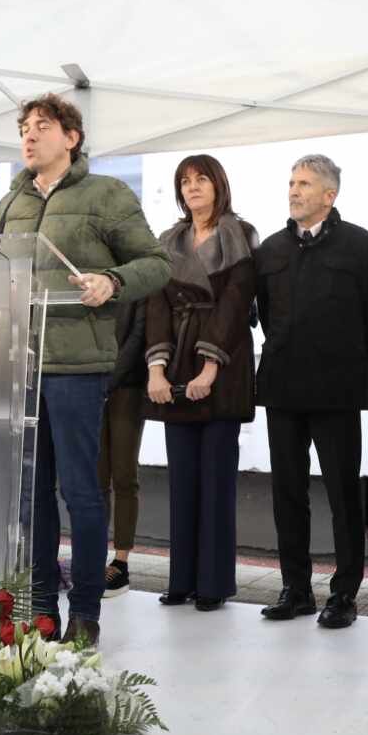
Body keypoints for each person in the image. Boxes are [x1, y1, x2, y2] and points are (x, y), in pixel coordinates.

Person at [0, 93, 170, 645]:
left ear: (71, 138)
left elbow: (156, 263)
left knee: (80, 492)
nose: (29, 135)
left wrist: (110, 282)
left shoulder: (106, 194)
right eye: (24, 127)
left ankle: (86, 611)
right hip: (20, 365)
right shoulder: (11, 201)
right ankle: (42, 607)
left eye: (41, 126)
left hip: (76, 364)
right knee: (32, 495)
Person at [255, 154, 368, 629]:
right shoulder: (269, 250)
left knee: (342, 495)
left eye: (305, 183)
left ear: (330, 196)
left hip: (336, 391)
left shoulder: (362, 248)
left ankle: (344, 594)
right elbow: (268, 316)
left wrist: (354, 367)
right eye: (291, 181)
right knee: (287, 492)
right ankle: (296, 589)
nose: (294, 190)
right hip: (283, 389)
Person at [145, 154, 256, 612]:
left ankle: (212, 584)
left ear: (218, 185)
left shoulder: (240, 235)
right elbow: (155, 307)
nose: (192, 188)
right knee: (182, 480)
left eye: (201, 180)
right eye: (185, 181)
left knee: (215, 480)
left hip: (223, 364)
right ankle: (181, 579)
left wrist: (210, 368)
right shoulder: (168, 240)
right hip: (174, 365)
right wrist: (156, 368)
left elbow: (234, 305)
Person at [101, 297, 147, 596]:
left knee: (124, 473)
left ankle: (121, 561)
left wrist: (110, 377)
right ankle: (93, 555)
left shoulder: (140, 279)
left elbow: (139, 334)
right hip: (90, 380)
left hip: (129, 385)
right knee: (96, 474)